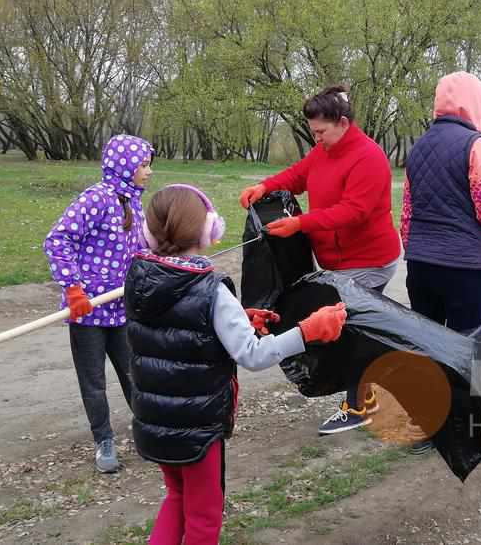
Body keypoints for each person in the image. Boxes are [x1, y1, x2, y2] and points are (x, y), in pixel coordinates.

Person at [126, 184, 347, 544]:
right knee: (204, 513)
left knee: (177, 497)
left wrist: (236, 319)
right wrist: (307, 332)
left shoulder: (139, 280)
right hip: (198, 426)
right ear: (208, 230)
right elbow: (253, 355)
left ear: (149, 232)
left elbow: (178, 328)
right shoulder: (211, 291)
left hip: (156, 420)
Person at [238, 86, 401, 435]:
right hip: (339, 261)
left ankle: (360, 406)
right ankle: (370, 391)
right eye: (313, 132)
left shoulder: (368, 157)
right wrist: (265, 187)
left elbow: (354, 212)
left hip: (369, 260)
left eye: (321, 131)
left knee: (349, 332)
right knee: (349, 329)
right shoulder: (324, 150)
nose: (317, 138)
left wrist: (301, 223)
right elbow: (298, 176)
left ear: (342, 122)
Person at [400, 72, 481, 452]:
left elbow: (407, 212)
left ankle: (425, 428)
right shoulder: (475, 144)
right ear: (475, 103)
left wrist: (415, 250)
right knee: (467, 344)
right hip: (464, 265)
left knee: (427, 343)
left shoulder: (418, 147)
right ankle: (465, 430)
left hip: (420, 261)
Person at [44, 134, 154, 473]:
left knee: (134, 372)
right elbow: (58, 238)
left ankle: (149, 431)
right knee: (94, 381)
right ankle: (103, 439)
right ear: (125, 166)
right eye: (144, 165)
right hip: (88, 309)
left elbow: (136, 249)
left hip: (121, 307)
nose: (149, 172)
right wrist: (73, 289)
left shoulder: (132, 201)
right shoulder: (97, 199)